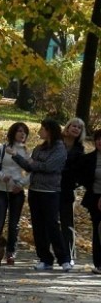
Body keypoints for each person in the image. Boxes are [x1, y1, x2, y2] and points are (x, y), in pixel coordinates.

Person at [11, 118, 71, 271]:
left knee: (52, 225)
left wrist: (34, 164)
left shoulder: (59, 148)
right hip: (35, 191)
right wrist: (16, 156)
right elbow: (29, 167)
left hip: (50, 192)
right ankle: (45, 258)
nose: (39, 132)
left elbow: (50, 166)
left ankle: (63, 258)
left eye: (42, 129)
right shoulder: (38, 148)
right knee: (38, 226)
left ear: (49, 131)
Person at [0, 122, 30, 265]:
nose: (22, 134)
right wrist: (1, 176)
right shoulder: (2, 148)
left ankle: (11, 252)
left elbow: (31, 172)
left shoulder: (26, 151)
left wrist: (21, 184)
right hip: (1, 189)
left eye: (25, 132)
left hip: (17, 191)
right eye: (19, 131)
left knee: (14, 224)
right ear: (13, 133)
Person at [60, 117, 86, 264]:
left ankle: (69, 255)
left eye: (79, 127)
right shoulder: (57, 143)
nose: (76, 129)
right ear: (68, 127)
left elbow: (79, 171)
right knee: (50, 221)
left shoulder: (80, 149)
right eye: (74, 126)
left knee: (67, 222)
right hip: (51, 186)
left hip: (67, 189)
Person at [76, 129, 101, 273]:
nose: (100, 142)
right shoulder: (89, 158)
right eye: (97, 139)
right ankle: (98, 263)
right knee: (97, 230)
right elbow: (83, 178)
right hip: (94, 198)